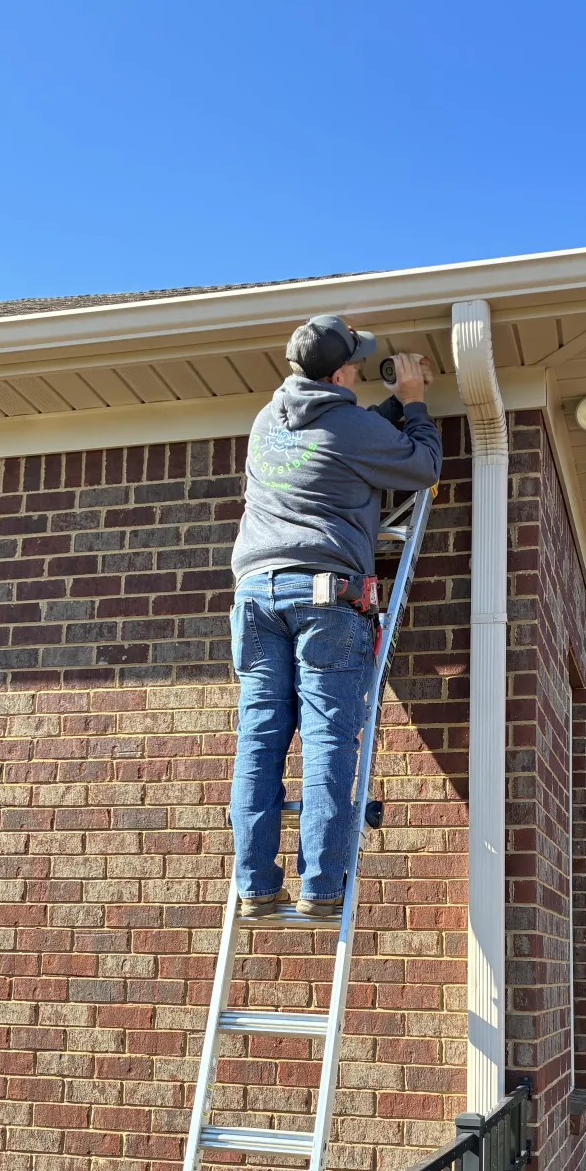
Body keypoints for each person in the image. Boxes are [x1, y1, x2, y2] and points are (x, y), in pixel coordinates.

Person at [229, 315, 442, 919]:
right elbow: (422, 465)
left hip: (254, 596)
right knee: (327, 740)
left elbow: (344, 430)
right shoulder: (349, 426)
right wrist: (416, 403)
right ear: (344, 372)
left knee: (260, 741)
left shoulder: (266, 422)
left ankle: (255, 886)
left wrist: (386, 408)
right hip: (325, 598)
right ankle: (321, 888)